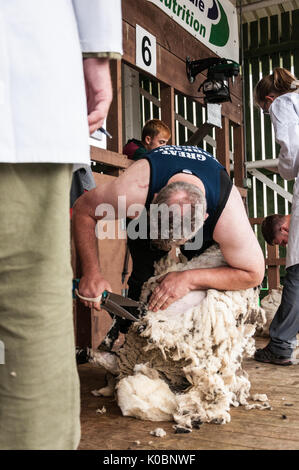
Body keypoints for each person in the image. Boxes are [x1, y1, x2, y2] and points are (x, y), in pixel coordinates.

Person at [0, 0, 122, 450]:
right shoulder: (139, 183)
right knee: (29, 306)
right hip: (20, 82)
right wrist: (96, 53)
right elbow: (89, 208)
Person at [73, 144, 264, 324]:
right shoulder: (134, 190)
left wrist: (189, 279)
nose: (173, 246)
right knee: (144, 278)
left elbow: (254, 274)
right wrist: (92, 273)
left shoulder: (227, 215)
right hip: (150, 215)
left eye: (179, 241)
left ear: (205, 217)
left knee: (205, 285)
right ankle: (129, 331)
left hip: (200, 224)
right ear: (155, 200)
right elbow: (83, 209)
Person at [254, 67, 299, 366]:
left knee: (296, 273)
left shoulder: (284, 103)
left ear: (269, 98)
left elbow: (291, 150)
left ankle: (281, 345)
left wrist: (284, 170)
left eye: (264, 108)